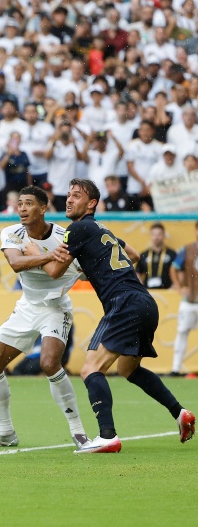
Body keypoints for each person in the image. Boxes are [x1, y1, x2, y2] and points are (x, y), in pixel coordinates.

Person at [43, 178, 195, 452]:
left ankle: (107, 435)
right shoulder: (103, 229)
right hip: (145, 302)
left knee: (91, 369)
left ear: (91, 204)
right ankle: (179, 412)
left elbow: (54, 271)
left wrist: (34, 253)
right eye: (68, 195)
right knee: (128, 368)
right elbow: (134, 255)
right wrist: (94, 267)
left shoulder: (76, 229)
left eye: (76, 195)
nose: (68, 199)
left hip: (122, 303)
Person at [0, 186, 87, 448]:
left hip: (55, 308)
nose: (22, 209)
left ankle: (79, 432)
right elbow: (15, 263)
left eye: (28, 204)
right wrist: (47, 256)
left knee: (49, 363)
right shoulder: (11, 232)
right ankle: (5, 433)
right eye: (20, 204)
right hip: (27, 307)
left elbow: (67, 272)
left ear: (43, 208)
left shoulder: (64, 236)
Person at [170, 222, 198, 376]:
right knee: (182, 332)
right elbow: (174, 267)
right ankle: (175, 368)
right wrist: (179, 286)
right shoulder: (187, 250)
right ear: (195, 231)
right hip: (189, 301)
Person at [136, 223, 176, 290]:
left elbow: (178, 271)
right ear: (150, 235)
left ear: (164, 235)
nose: (156, 237)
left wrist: (174, 287)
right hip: (148, 292)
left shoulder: (172, 254)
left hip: (167, 292)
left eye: (159, 234)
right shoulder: (144, 255)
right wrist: (141, 288)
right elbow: (137, 272)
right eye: (153, 234)